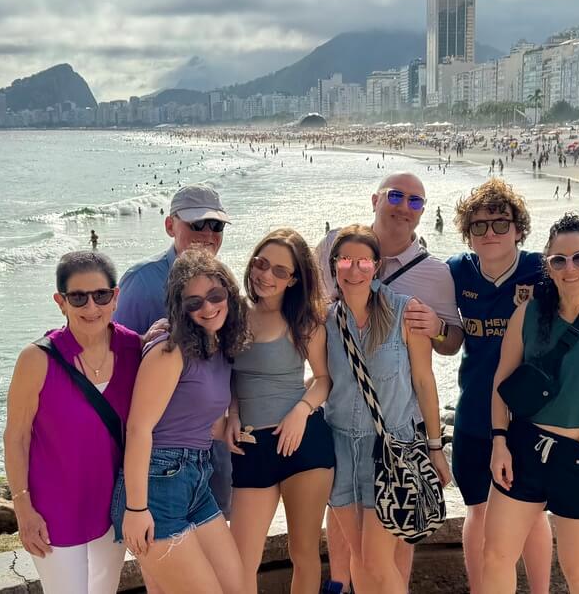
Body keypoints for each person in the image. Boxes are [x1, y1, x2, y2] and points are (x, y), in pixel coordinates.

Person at [447, 181, 579, 594]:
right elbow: (497, 380)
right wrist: (500, 441)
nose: (569, 267)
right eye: (559, 260)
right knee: (495, 554)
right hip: (518, 442)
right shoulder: (512, 304)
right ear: (548, 265)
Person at [315, 173, 463, 593]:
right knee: (358, 558)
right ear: (333, 264)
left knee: (378, 561)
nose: (355, 268)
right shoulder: (325, 319)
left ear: (375, 266)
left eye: (364, 262)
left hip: (391, 447)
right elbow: (312, 368)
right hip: (340, 446)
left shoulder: (407, 308)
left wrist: (435, 448)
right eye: (345, 261)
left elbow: (427, 378)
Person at [4, 251, 140, 593]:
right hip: (54, 510)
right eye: (78, 297)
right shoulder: (36, 359)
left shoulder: (134, 349)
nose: (91, 307)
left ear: (116, 297)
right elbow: (16, 437)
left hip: (113, 505)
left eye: (101, 295)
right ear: (60, 302)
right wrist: (23, 509)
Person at [113, 249, 248, 594]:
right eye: (194, 302)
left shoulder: (219, 345)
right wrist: (136, 508)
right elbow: (139, 429)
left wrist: (232, 422)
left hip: (196, 479)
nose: (208, 307)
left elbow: (194, 417)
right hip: (156, 485)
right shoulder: (171, 349)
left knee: (238, 587)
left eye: (215, 295)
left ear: (229, 293)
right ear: (180, 307)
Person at [113, 184, 235, 521]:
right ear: (170, 226)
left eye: (216, 225)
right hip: (162, 460)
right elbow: (115, 359)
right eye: (197, 224)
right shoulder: (142, 281)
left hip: (211, 452)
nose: (208, 234)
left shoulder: (221, 285)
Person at [225, 229, 335, 594]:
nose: (266, 275)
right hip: (250, 446)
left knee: (303, 552)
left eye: (280, 271)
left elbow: (323, 379)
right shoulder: (233, 313)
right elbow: (228, 377)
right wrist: (232, 414)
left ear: (294, 279)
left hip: (303, 443)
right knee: (241, 561)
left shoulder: (305, 320)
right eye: (261, 263)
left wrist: (301, 411)